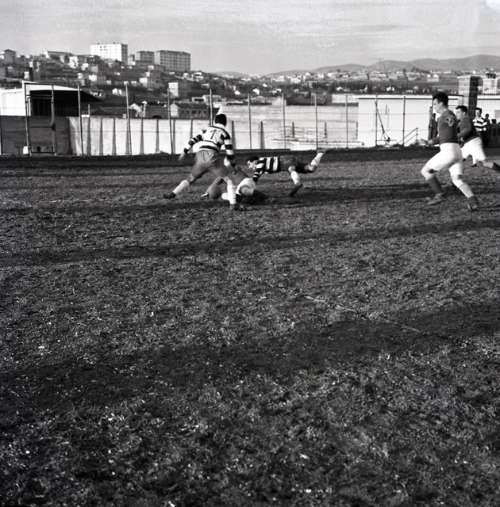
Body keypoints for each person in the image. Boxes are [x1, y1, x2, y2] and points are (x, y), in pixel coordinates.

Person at [163, 113, 242, 210]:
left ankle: (173, 193)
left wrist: (184, 152)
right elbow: (229, 152)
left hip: (200, 154)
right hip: (212, 156)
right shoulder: (225, 133)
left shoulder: (206, 129)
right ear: (225, 123)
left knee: (191, 178)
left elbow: (193, 140)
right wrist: (233, 165)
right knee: (229, 180)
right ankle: (233, 204)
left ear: (215, 121)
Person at [421, 92, 479, 211]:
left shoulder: (445, 116)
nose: (434, 107)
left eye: (435, 104)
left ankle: (439, 194)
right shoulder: (450, 115)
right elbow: (449, 133)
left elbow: (445, 136)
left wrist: (429, 142)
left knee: (426, 171)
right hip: (457, 150)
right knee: (457, 180)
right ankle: (473, 202)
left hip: (448, 150)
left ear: (441, 103)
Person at [246, 150, 326, 196]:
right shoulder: (261, 163)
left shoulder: (259, 163)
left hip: (284, 161)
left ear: (255, 161)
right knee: (311, 169)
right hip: (287, 160)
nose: (249, 167)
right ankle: (320, 153)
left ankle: (297, 183)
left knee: (291, 169)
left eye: (249, 164)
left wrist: (247, 188)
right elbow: (257, 176)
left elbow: (255, 177)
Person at [455, 105, 500, 172]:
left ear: (463, 113)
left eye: (458, 112)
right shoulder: (462, 120)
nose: (456, 114)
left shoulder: (466, 119)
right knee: (458, 159)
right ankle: (456, 176)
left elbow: (468, 129)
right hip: (469, 143)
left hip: (473, 143)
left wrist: (457, 136)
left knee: (484, 163)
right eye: (456, 112)